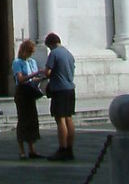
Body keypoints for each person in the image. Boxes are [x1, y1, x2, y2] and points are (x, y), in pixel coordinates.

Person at [43, 32, 76, 161]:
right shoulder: (69, 54)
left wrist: (44, 75)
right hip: (70, 88)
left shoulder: (54, 53)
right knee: (69, 118)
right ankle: (69, 148)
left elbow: (48, 72)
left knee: (60, 119)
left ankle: (62, 148)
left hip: (59, 90)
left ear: (51, 44)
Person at [11, 38, 43, 159]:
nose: (30, 55)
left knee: (33, 120)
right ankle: (21, 150)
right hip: (22, 93)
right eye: (29, 52)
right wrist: (34, 74)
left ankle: (32, 149)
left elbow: (33, 77)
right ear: (23, 50)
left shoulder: (32, 62)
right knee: (23, 120)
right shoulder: (17, 62)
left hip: (31, 92)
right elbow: (20, 79)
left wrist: (40, 77)